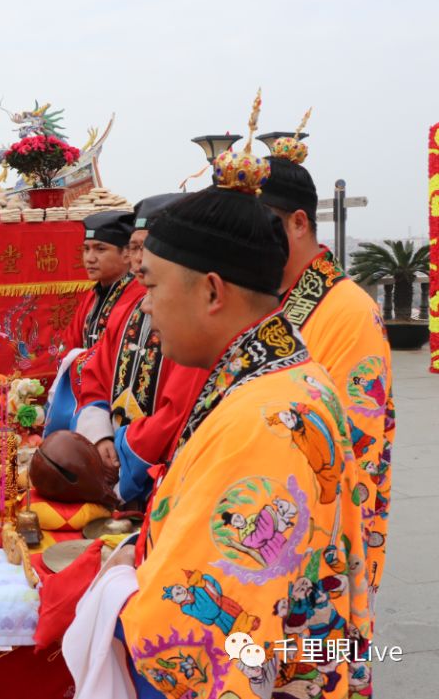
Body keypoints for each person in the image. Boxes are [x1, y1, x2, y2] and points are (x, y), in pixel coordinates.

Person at [63, 169, 372, 698]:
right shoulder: (264, 376)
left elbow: (191, 637)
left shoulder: (266, 419)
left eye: (153, 285)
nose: (144, 306)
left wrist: (110, 593)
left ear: (212, 291)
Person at [260, 132, 394, 596]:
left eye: (261, 228)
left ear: (298, 223)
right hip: (270, 533)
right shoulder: (273, 299)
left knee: (322, 664)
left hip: (320, 543)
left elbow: (353, 445)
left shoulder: (348, 311)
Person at [71, 194, 208, 503]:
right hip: (116, 455)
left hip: (157, 473)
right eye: (134, 247)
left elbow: (177, 411)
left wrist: (123, 451)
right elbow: (95, 372)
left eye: (146, 247)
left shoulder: (192, 320)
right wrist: (100, 435)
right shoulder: (127, 307)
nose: (139, 259)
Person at [45, 210, 145, 435]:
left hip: (117, 407)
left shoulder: (138, 297)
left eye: (100, 249)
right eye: (86, 249)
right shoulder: (93, 296)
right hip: (86, 401)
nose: (89, 258)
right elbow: (70, 345)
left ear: (127, 254)